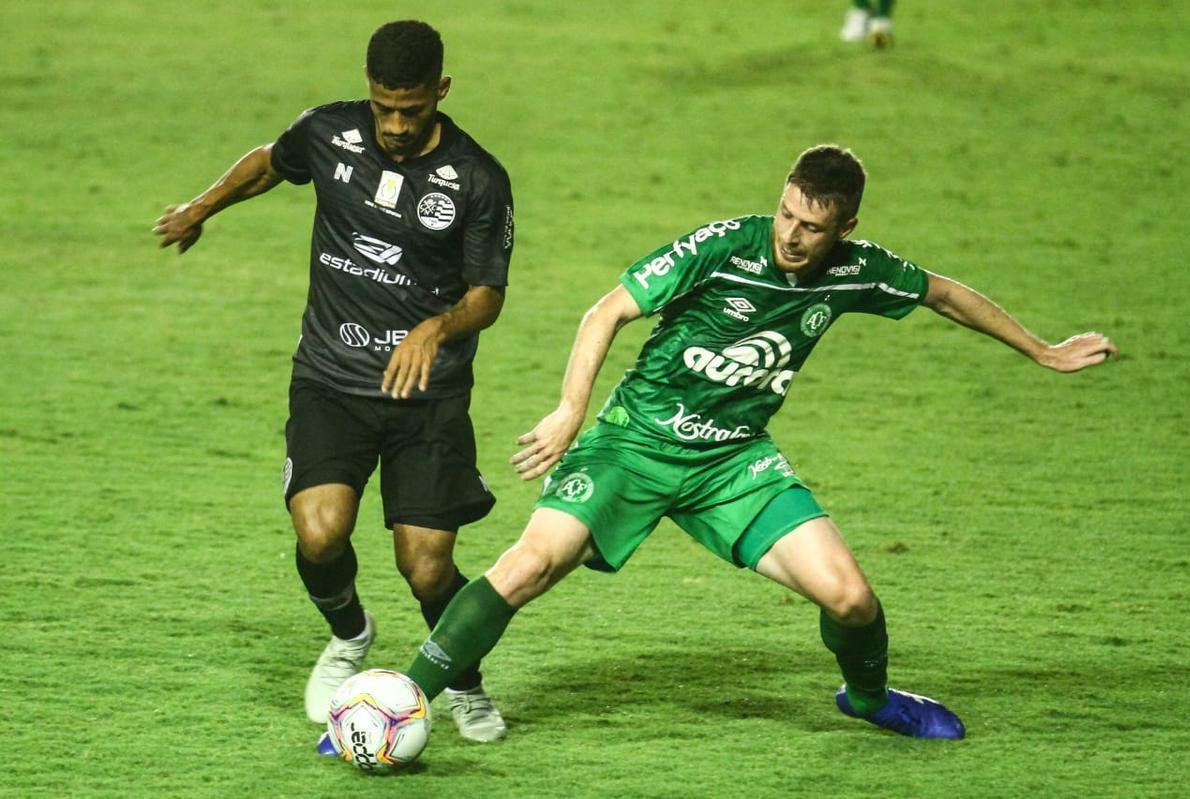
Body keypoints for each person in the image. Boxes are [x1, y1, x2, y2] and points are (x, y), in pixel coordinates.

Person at [398, 145, 1118, 741]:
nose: (792, 235)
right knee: (527, 567)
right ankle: (397, 701)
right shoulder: (722, 248)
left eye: (812, 226)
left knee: (853, 600)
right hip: (633, 445)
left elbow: (942, 292)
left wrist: (1042, 350)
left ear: (845, 227)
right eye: (786, 213)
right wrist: (569, 411)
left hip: (733, 462)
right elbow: (607, 310)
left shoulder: (855, 269)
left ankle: (868, 699)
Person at [152, 20, 513, 742]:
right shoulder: (328, 132)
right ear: (369, 92)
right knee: (319, 533)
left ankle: (464, 685)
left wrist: (436, 326)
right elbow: (268, 161)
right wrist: (201, 207)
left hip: (425, 395)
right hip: (331, 377)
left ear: (440, 91)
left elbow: (487, 296)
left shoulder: (477, 178)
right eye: (385, 107)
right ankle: (350, 633)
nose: (398, 125)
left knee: (426, 564)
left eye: (412, 109)